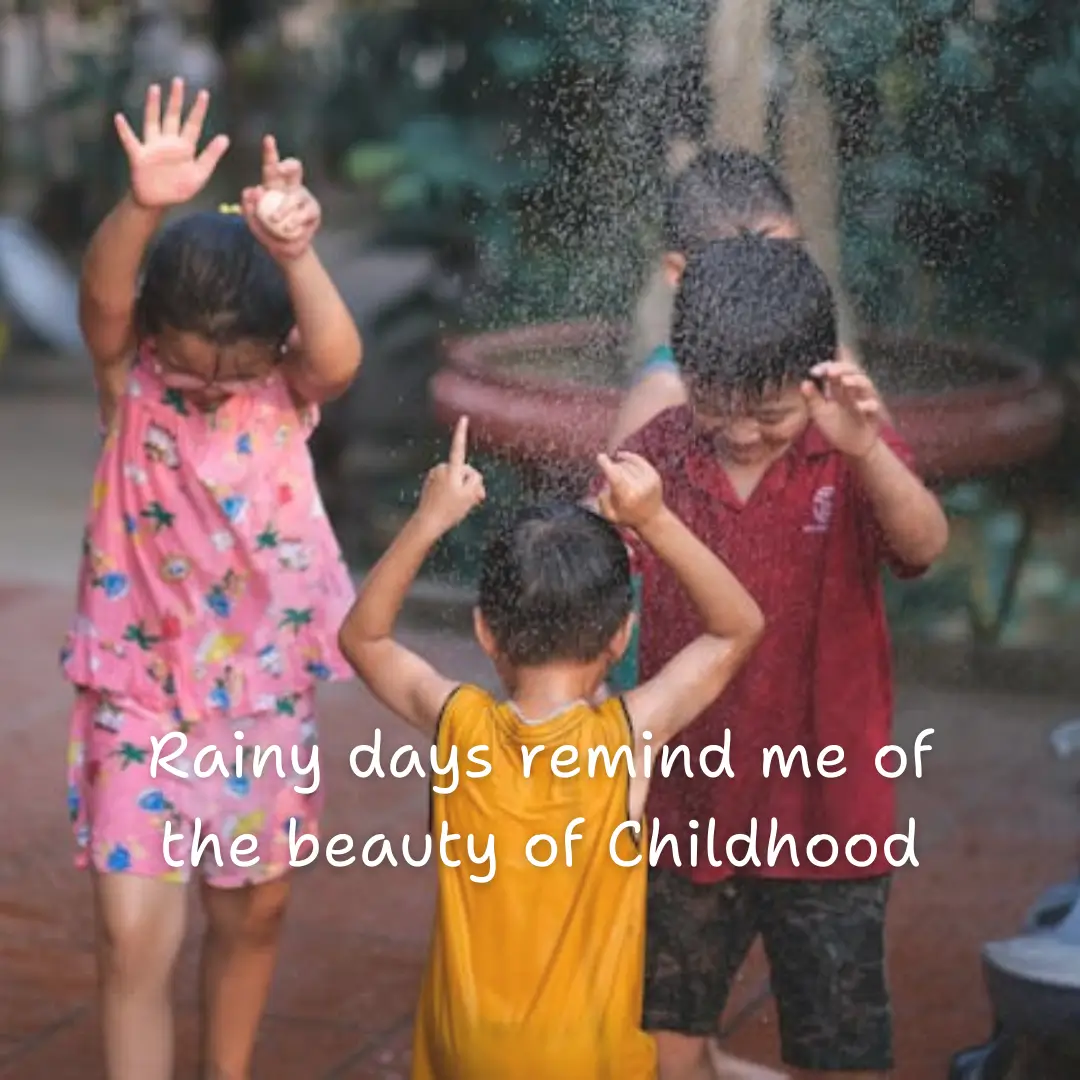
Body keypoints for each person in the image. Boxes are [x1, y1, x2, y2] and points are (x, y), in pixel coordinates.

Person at [62, 79, 362, 1080]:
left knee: (255, 912)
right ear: (156, 339)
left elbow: (340, 357)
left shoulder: (285, 382)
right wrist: (144, 203)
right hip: (139, 694)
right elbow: (102, 294)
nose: (217, 389)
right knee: (129, 937)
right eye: (197, 372)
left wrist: (296, 254)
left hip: (260, 697)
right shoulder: (133, 379)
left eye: (236, 373)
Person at [614, 235, 949, 1080]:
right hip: (687, 810)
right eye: (714, 403)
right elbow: (592, 579)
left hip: (827, 810)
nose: (740, 432)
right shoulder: (661, 453)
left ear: (819, 381)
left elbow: (925, 546)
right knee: (663, 1044)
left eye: (770, 414)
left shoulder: (847, 449)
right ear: (681, 367)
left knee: (839, 1053)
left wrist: (866, 449)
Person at [337, 416, 764, 1079]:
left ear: (485, 631)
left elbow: (363, 641)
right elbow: (737, 628)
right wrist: (653, 520)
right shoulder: (623, 739)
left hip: (467, 1052)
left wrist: (429, 520)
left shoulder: (459, 727)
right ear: (620, 637)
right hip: (585, 1059)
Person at [611, 146, 803, 451]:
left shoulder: (823, 362)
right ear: (679, 273)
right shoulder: (670, 390)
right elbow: (612, 498)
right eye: (741, 272)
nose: (771, 285)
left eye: (787, 263)